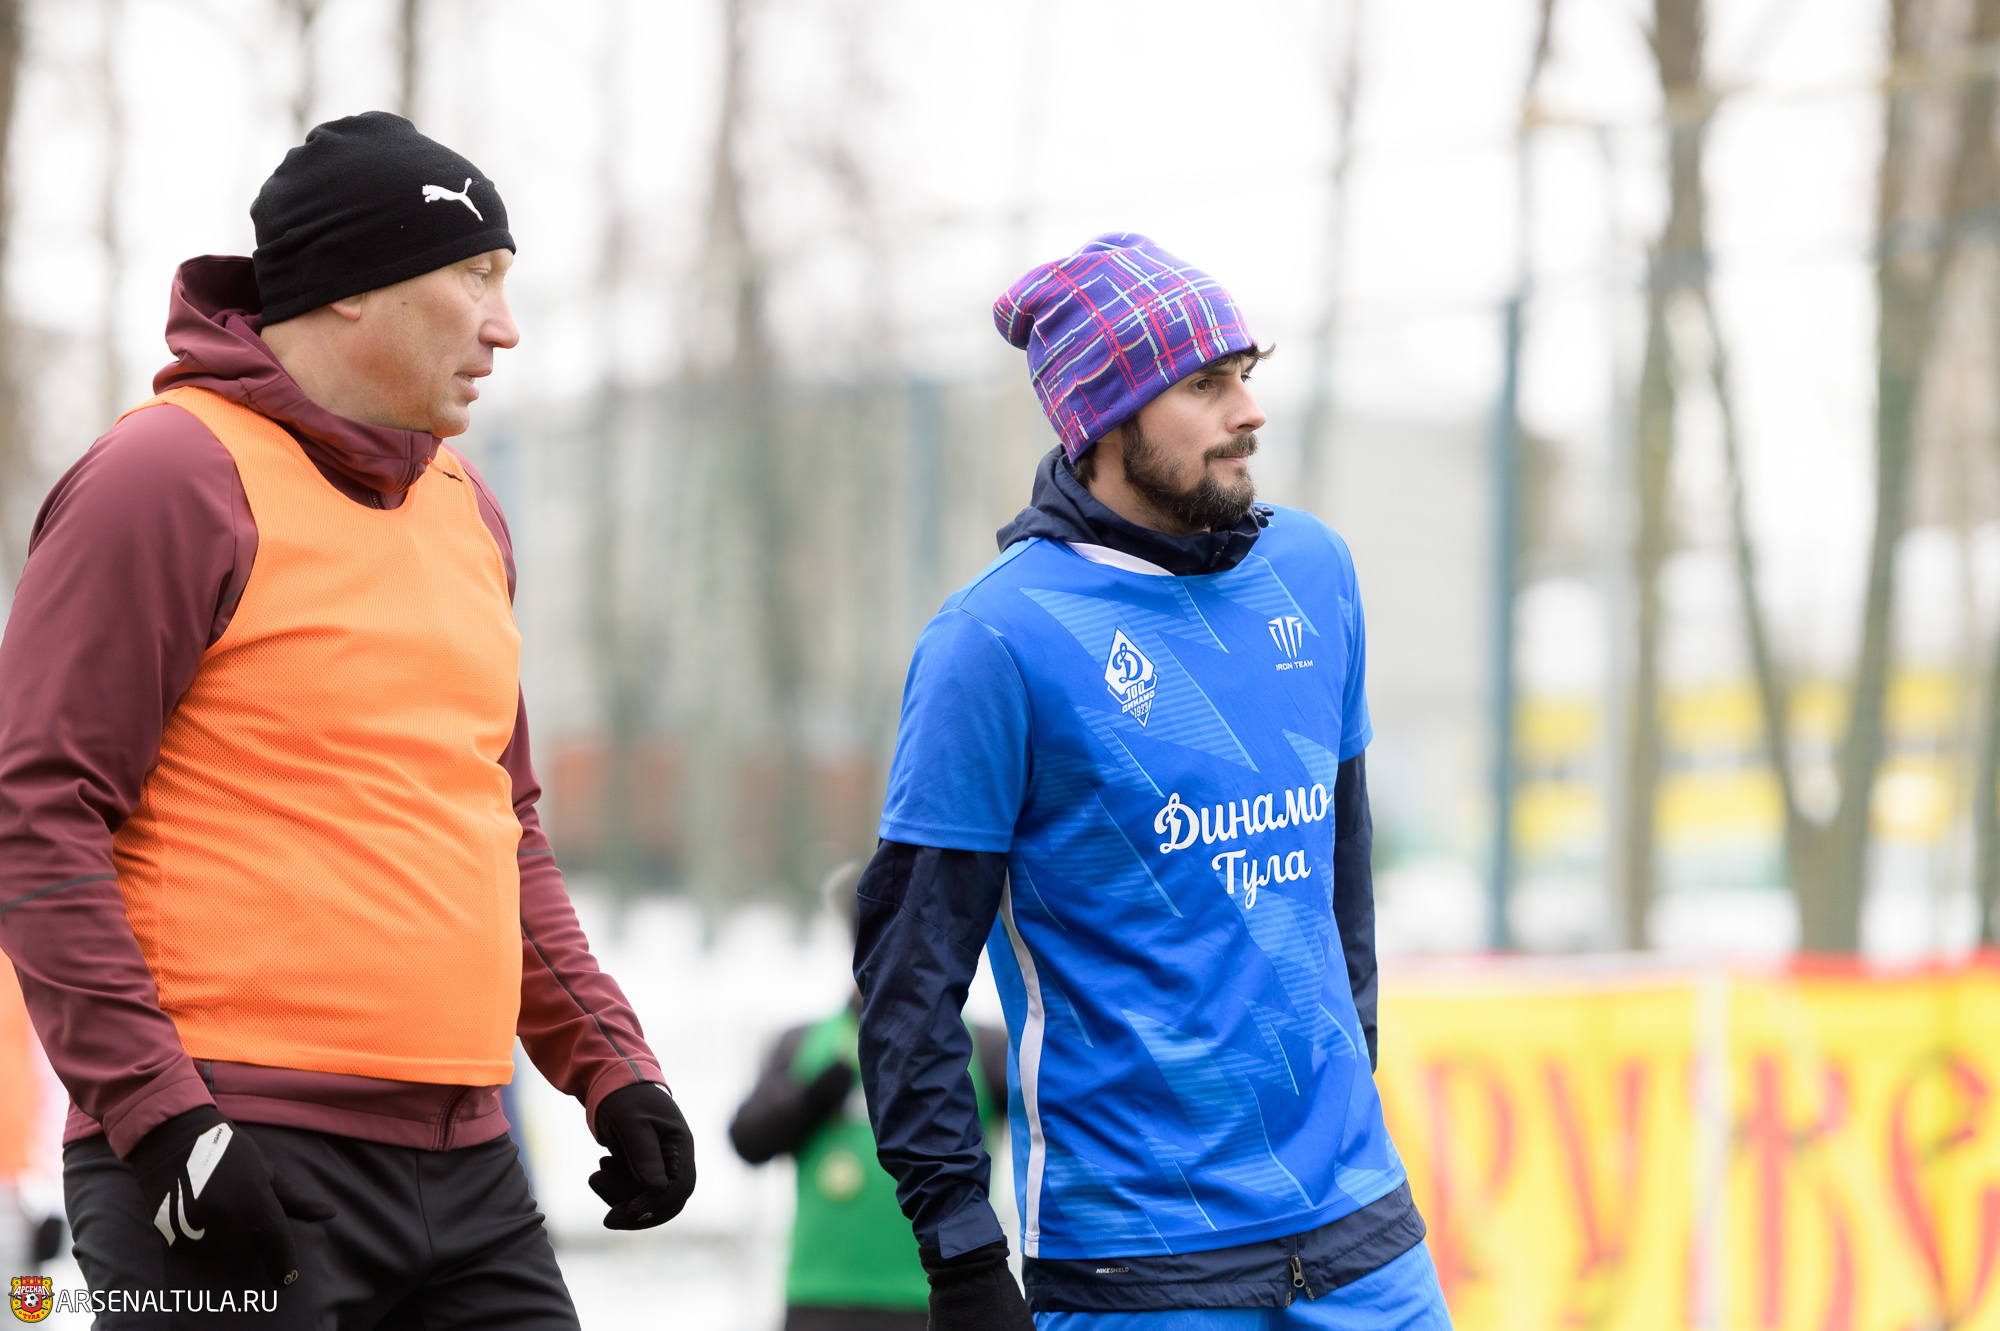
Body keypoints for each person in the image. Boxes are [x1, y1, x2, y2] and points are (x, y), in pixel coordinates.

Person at [0, 113, 694, 1328]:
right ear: (350, 289)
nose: (504, 324)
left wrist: (608, 1061)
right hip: (226, 1144)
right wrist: (163, 1118)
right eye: (472, 276)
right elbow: (36, 812)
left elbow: (500, 820)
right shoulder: (167, 476)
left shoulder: (466, 506)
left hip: (470, 1166)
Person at [853, 233, 1449, 1331]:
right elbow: (907, 975)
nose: (1249, 411)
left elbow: (1342, 873)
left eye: (1245, 374)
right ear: (1105, 419)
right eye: (1204, 384)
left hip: (1360, 1231)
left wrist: (1346, 1086)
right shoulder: (994, 640)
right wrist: (960, 1249)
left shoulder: (1315, 569)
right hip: (1139, 1263)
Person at [732, 866, 1010, 1331]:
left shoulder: (981, 1046)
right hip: (820, 1300)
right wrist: (811, 1099)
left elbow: (1053, 1138)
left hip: (942, 1299)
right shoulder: (804, 1043)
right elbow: (747, 1141)